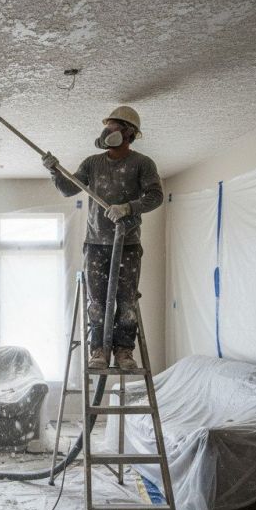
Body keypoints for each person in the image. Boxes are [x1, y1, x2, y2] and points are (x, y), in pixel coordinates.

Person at [42, 106, 162, 371]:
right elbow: (67, 189)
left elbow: (155, 197)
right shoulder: (92, 163)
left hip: (127, 244)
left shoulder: (142, 164)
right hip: (96, 244)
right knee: (96, 301)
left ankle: (123, 352)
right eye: (107, 126)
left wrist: (128, 208)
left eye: (115, 126)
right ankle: (98, 350)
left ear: (129, 133)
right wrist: (54, 171)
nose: (108, 131)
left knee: (127, 300)